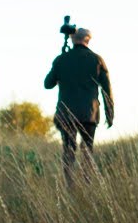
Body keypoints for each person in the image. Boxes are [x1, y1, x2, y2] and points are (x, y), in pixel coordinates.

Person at [44, 27, 114, 183]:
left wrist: (60, 64)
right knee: (87, 149)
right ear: (88, 39)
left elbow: (48, 84)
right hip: (89, 114)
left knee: (68, 149)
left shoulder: (61, 59)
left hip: (65, 114)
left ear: (71, 39)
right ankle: (87, 183)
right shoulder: (97, 60)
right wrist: (110, 114)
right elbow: (107, 89)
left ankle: (70, 185)